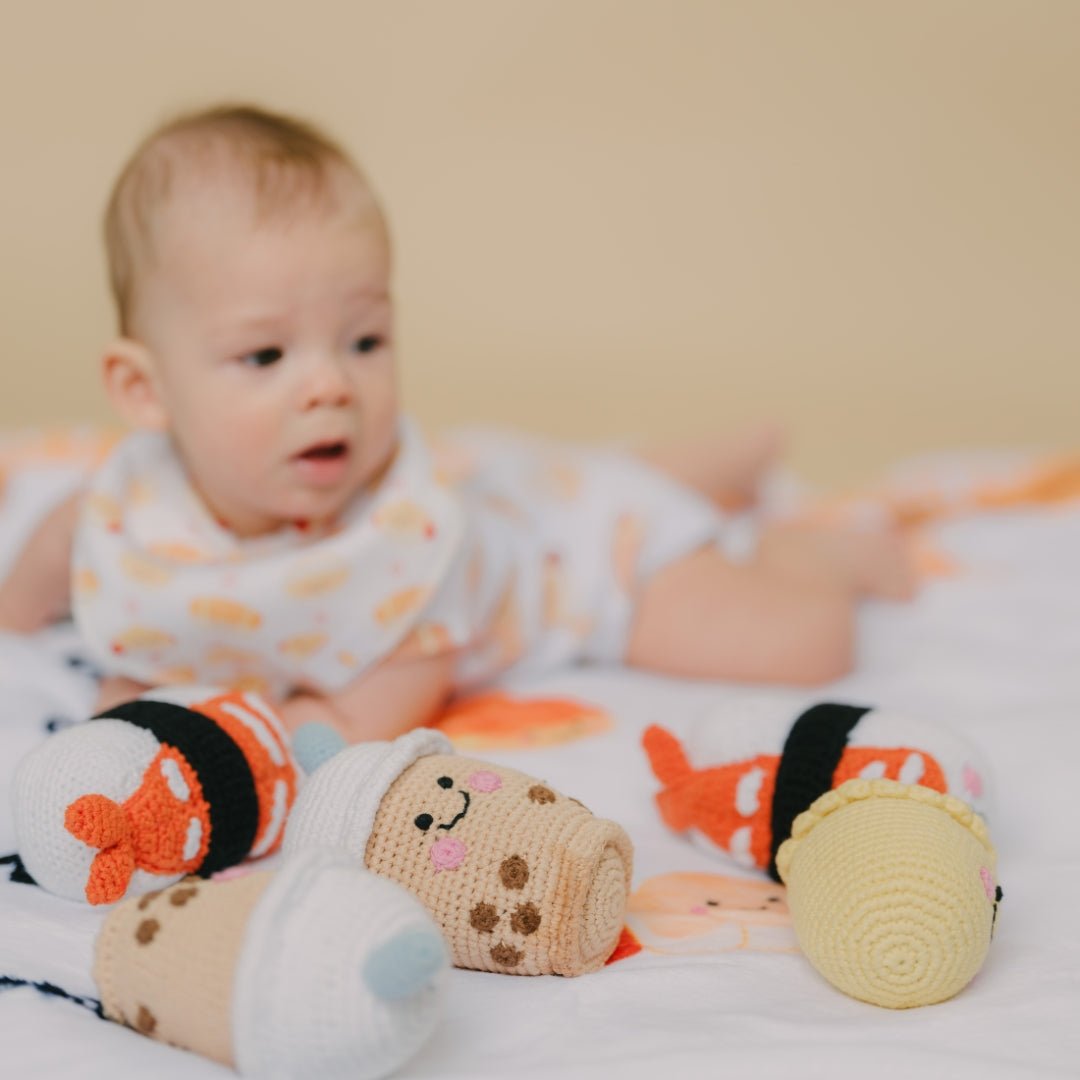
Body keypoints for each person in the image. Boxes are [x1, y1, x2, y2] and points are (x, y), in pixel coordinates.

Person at [0, 104, 916, 742]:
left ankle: (806, 554)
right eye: (266, 357)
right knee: (582, 473)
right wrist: (15, 608)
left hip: (583, 567)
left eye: (364, 339)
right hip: (530, 481)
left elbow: (406, 676)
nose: (331, 387)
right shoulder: (119, 512)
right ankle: (713, 460)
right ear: (143, 391)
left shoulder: (403, 539)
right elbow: (52, 555)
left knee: (802, 647)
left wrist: (318, 731)